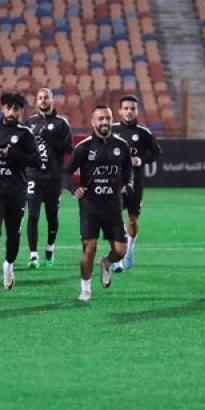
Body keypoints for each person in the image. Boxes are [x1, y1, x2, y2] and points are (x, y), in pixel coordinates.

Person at [63, 105, 132, 302]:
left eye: (108, 118)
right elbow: (65, 173)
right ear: (93, 122)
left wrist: (127, 184)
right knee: (89, 248)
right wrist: (73, 188)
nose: (105, 122)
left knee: (121, 251)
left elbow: (128, 171)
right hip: (90, 207)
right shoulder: (84, 147)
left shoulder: (122, 146)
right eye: (100, 119)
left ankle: (107, 262)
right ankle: (85, 289)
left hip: (113, 206)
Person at [0, 92, 38, 294]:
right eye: (9, 108)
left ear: (21, 111)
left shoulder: (25, 133)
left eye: (16, 109)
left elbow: (36, 161)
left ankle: (8, 265)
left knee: (13, 235)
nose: (12, 112)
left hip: (16, 191)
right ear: (2, 108)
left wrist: (15, 154)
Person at [111, 95, 162, 272]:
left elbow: (156, 152)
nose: (129, 111)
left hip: (135, 183)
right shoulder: (111, 129)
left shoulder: (143, 132)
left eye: (132, 108)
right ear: (120, 111)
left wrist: (141, 160)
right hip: (115, 182)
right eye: (125, 108)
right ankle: (117, 257)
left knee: (133, 219)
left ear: (137, 111)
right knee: (115, 218)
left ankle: (130, 247)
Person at [24, 88, 73, 269]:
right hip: (33, 176)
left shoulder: (61, 123)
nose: (43, 100)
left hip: (54, 178)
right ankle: (33, 256)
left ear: (52, 100)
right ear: (36, 102)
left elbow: (69, 149)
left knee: (52, 216)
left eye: (46, 97)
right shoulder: (30, 123)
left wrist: (51, 140)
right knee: (33, 215)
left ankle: (50, 248)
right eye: (40, 98)